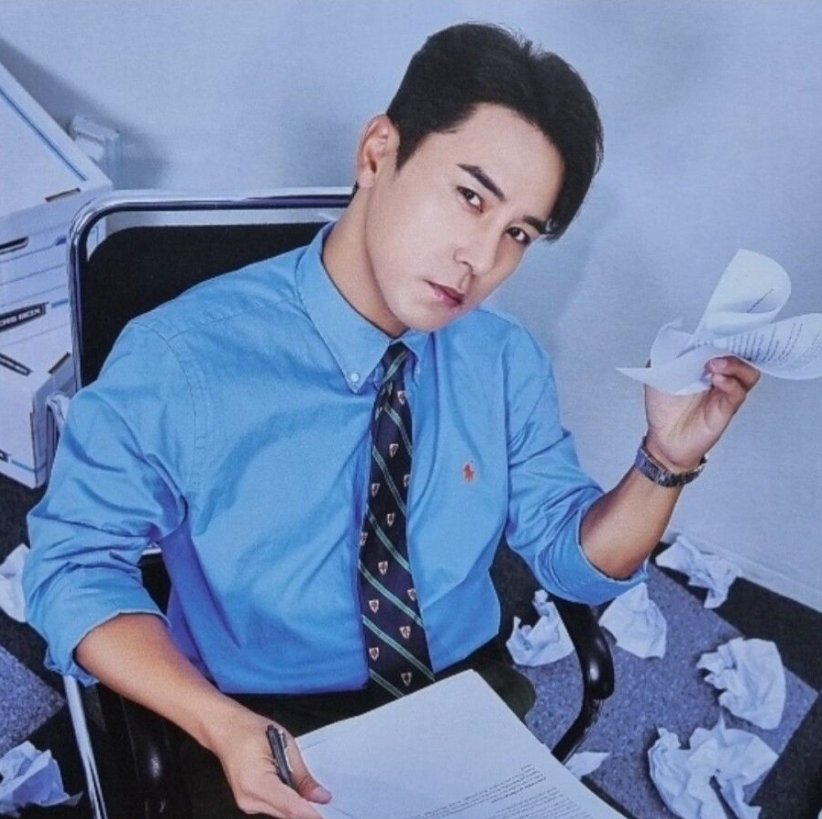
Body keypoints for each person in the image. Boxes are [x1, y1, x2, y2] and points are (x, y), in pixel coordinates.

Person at [23, 21, 759, 819]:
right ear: (378, 153)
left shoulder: (503, 358)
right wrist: (219, 722)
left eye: (517, 232)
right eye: (470, 197)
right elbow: (71, 569)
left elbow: (568, 562)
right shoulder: (181, 360)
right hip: (262, 713)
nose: (482, 259)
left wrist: (663, 460)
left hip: (459, 698)